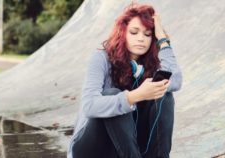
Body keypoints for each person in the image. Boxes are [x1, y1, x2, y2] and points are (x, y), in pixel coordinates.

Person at [67, 3, 182, 158]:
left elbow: (175, 80)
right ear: (123, 33)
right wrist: (133, 97)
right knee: (112, 94)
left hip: (128, 148)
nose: (141, 38)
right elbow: (89, 106)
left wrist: (162, 39)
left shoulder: (150, 63)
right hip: (91, 149)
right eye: (134, 32)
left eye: (148, 34)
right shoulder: (101, 58)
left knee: (164, 94)